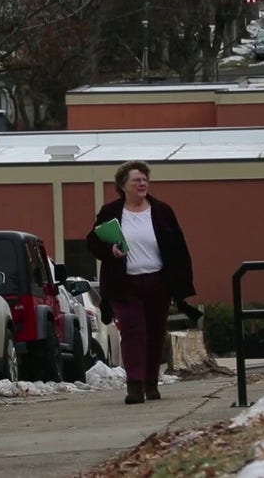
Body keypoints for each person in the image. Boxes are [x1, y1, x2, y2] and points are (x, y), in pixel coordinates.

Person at [86, 160, 199, 405]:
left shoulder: (162, 211)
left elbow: (179, 247)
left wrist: (180, 284)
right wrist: (110, 250)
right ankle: (135, 385)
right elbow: (93, 242)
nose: (142, 183)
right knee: (133, 331)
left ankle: (151, 383)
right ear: (123, 185)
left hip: (158, 282)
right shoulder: (110, 212)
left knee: (155, 333)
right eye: (136, 180)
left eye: (145, 179)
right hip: (124, 284)